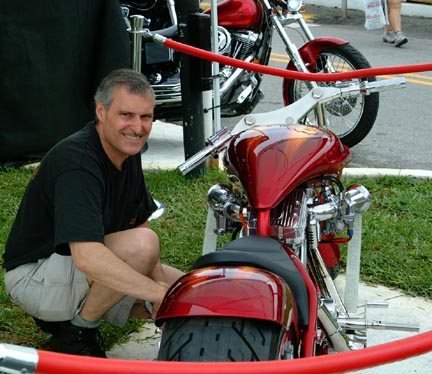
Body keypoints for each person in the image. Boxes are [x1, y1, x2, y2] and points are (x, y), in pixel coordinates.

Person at [2, 69, 184, 357]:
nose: (137, 127)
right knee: (142, 249)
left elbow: (141, 226)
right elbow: (87, 256)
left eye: (145, 117)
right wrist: (157, 294)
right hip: (34, 278)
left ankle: (70, 317)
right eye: (126, 115)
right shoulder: (78, 162)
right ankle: (78, 332)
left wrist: (165, 289)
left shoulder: (126, 151)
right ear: (101, 112)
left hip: (66, 268)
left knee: (191, 286)